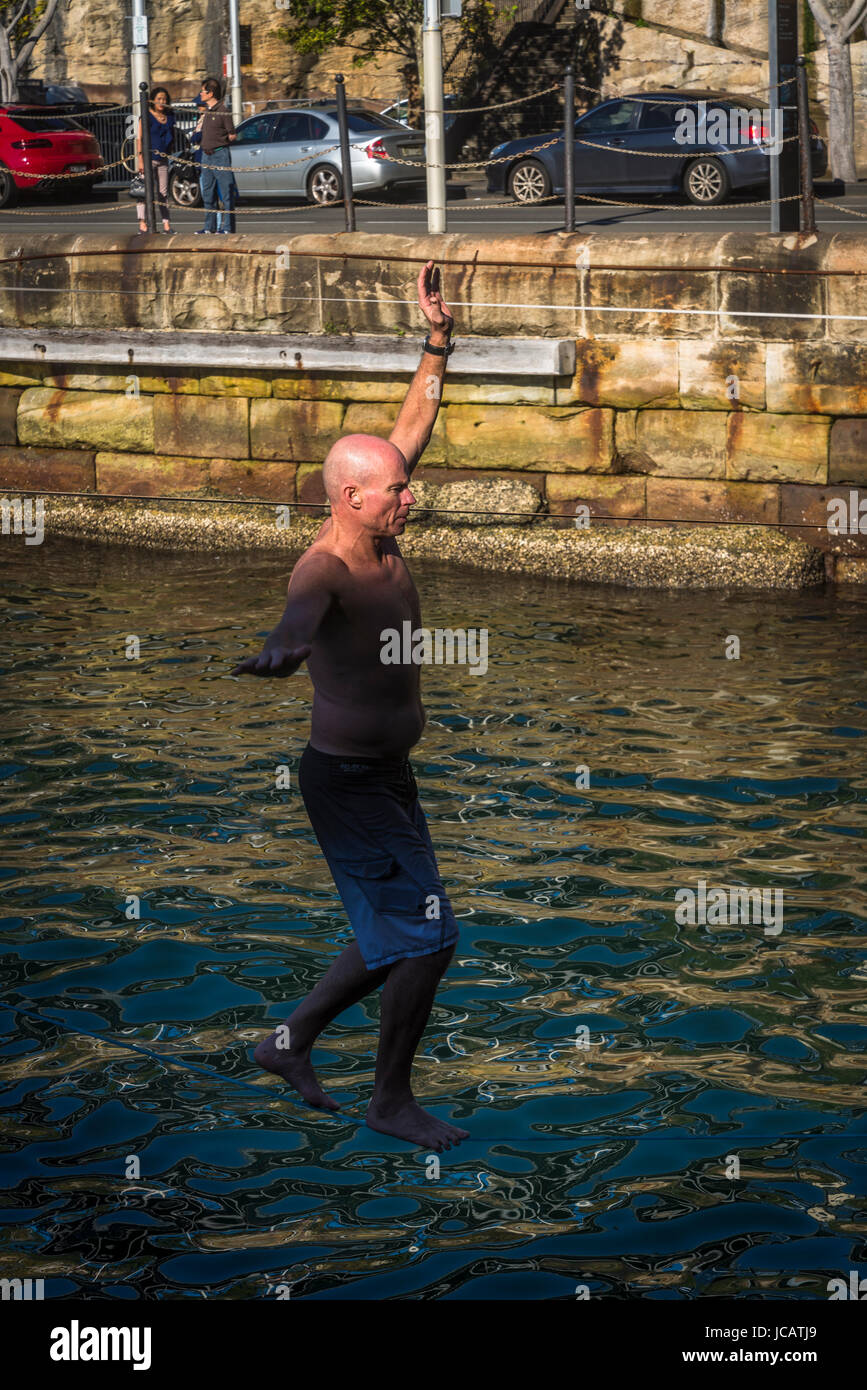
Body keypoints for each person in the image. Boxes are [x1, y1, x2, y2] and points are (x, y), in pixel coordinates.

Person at [232, 262, 468, 1153]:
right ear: (348, 499)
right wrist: (285, 649)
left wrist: (436, 340)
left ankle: (285, 1044)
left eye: (405, 486)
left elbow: (414, 420)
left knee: (396, 933)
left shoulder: (380, 510)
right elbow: (298, 616)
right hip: (347, 785)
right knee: (430, 937)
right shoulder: (323, 566)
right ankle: (389, 1101)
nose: (412, 496)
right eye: (396, 491)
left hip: (385, 775)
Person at [194, 77, 236, 234]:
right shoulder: (207, 112)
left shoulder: (223, 111)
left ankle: (227, 228)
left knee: (225, 193)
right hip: (206, 156)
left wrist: (221, 140)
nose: (200, 94)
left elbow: (232, 135)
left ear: (210, 93)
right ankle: (209, 227)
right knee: (207, 193)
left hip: (220, 154)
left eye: (203, 91)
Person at [135, 86, 175, 233]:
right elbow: (139, 138)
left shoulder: (170, 116)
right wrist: (140, 160)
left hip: (163, 159)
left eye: (164, 99)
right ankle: (143, 224)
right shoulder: (146, 116)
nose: (162, 102)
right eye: (159, 99)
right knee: (144, 192)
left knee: (163, 193)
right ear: (152, 100)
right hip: (148, 159)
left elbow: (172, 137)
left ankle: (166, 224)